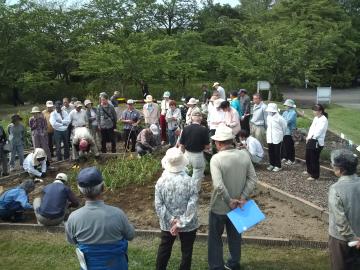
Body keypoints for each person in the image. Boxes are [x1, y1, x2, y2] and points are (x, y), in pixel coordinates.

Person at [66, 167, 135, 270]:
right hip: (116, 265)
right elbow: (130, 235)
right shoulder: (117, 214)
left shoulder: (73, 218)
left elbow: (72, 241)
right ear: (103, 188)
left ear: (80, 191)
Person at [208, 125, 257, 270]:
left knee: (215, 238)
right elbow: (253, 179)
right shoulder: (244, 155)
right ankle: (234, 263)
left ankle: (217, 266)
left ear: (218, 143)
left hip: (220, 206)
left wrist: (229, 200)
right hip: (239, 206)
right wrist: (242, 197)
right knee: (235, 236)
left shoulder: (216, 159)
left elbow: (218, 185)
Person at [155, 147, 199, 270]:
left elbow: (159, 205)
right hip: (188, 224)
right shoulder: (190, 182)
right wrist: (180, 222)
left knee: (164, 248)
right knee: (186, 252)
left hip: (168, 224)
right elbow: (192, 205)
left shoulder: (161, 182)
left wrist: (172, 221)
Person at [328, 149, 360, 270]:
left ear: (340, 170)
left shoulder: (336, 189)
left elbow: (340, 220)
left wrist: (353, 238)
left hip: (341, 240)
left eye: (334, 166)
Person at [179, 111, 210, 189]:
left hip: (187, 154)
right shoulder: (204, 129)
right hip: (198, 155)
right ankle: (194, 190)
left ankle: (185, 188)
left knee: (185, 172)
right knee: (198, 173)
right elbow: (207, 146)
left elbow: (181, 144)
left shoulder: (185, 128)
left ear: (191, 118)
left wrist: (181, 155)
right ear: (201, 119)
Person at [305, 104, 329, 181]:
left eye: (315, 110)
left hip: (317, 141)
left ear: (320, 111)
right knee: (308, 156)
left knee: (314, 158)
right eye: (313, 110)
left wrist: (312, 138)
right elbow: (312, 128)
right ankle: (309, 170)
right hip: (311, 139)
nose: (314, 112)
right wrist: (308, 137)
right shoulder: (316, 118)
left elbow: (319, 131)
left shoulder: (323, 119)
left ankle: (315, 175)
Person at [265, 103, 287, 172]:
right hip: (269, 137)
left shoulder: (280, 118)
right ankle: (272, 164)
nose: (270, 112)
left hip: (277, 137)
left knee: (277, 152)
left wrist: (281, 135)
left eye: (271, 111)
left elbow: (284, 127)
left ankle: (278, 165)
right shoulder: (268, 117)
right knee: (271, 151)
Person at [281, 99, 297, 165]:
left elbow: (288, 121)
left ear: (290, 106)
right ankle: (286, 157)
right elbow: (281, 120)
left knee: (289, 146)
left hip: (290, 132)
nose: (285, 106)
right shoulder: (285, 112)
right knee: (284, 145)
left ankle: (291, 159)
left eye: (286, 105)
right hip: (284, 131)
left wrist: (282, 122)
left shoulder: (293, 113)